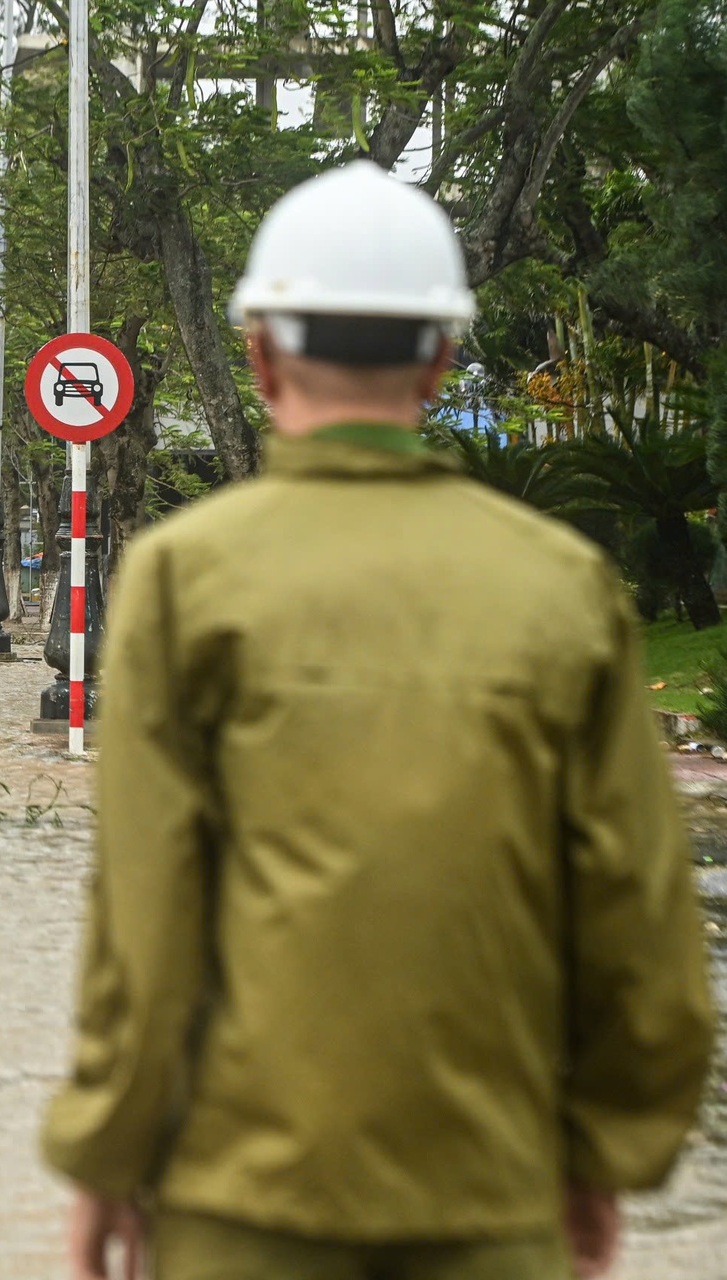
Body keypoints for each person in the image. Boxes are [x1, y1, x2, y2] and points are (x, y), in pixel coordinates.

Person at [40, 161, 715, 1280]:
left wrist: (109, 1154)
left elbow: (148, 918)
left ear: (258, 352)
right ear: (442, 358)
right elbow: (639, 914)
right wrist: (603, 1154)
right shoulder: (563, 585)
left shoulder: (181, 577)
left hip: (238, 1205)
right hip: (493, 1196)